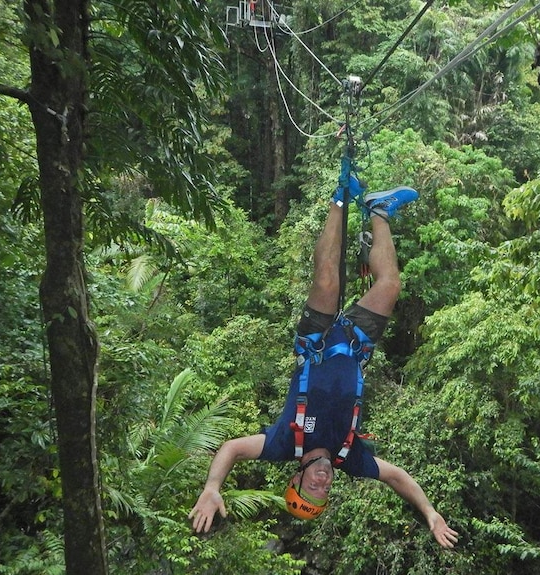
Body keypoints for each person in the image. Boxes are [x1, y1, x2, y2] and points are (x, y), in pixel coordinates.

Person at [189, 177, 459, 549]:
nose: (323, 482)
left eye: (312, 487)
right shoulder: (350, 458)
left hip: (314, 343)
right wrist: (429, 512)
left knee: (328, 280)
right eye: (324, 490)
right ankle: (378, 210)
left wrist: (212, 487)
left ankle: (340, 198)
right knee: (390, 286)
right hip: (354, 345)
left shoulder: (283, 444)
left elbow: (232, 448)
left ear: (296, 479)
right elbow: (397, 477)